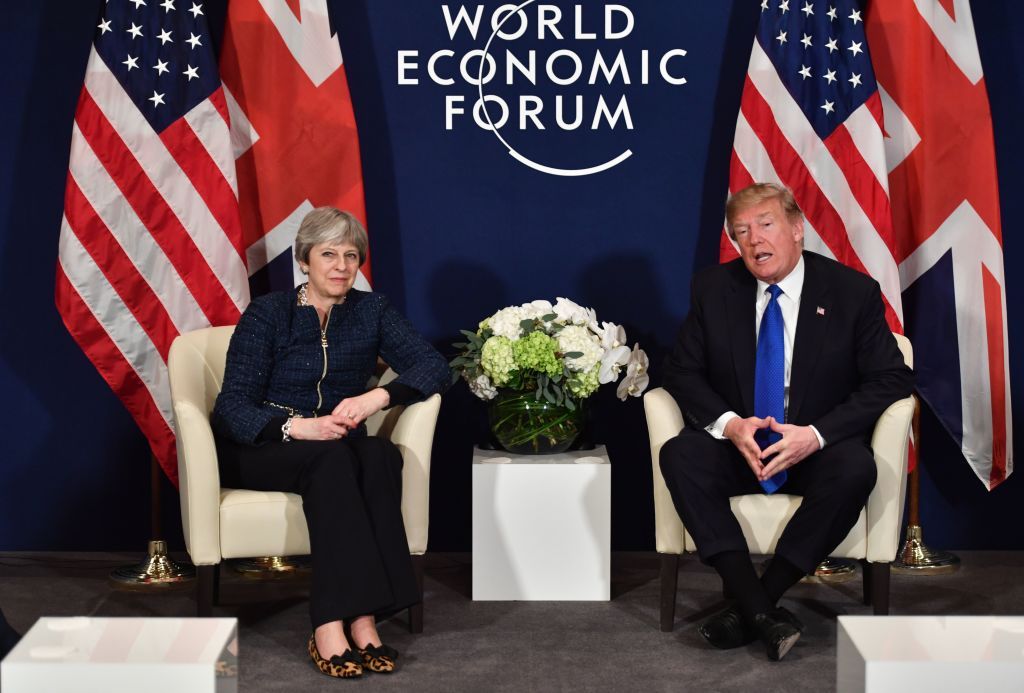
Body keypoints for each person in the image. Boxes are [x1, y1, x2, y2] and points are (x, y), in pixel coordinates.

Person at [659, 183, 913, 661]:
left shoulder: (851, 293)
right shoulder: (714, 289)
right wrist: (732, 425)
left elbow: (891, 378)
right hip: (742, 446)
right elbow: (681, 372)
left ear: (797, 229)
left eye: (766, 224)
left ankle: (754, 602)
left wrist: (816, 436)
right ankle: (761, 609)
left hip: (812, 446)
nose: (754, 240)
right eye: (741, 231)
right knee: (680, 454)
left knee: (856, 468)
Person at [212, 207, 449, 679]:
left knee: (380, 454)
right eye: (328, 254)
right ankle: (329, 622)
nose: (341, 265)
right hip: (265, 446)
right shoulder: (269, 313)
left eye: (351, 255)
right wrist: (298, 426)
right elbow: (232, 407)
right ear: (304, 261)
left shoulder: (371, 311)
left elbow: (434, 366)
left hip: (335, 443)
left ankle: (363, 617)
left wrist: (375, 397)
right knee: (331, 461)